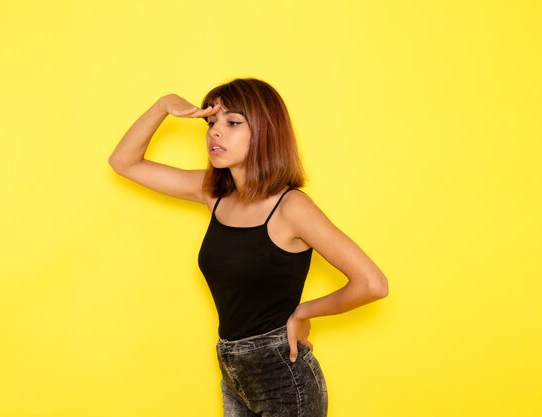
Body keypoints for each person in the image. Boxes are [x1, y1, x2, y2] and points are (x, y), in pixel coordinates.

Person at [108, 78, 388, 417]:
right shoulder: (214, 194)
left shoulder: (291, 207)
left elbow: (372, 284)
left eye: (233, 122)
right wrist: (163, 105)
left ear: (265, 131)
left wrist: (304, 312)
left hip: (282, 375)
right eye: (211, 123)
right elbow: (124, 162)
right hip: (232, 369)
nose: (214, 132)